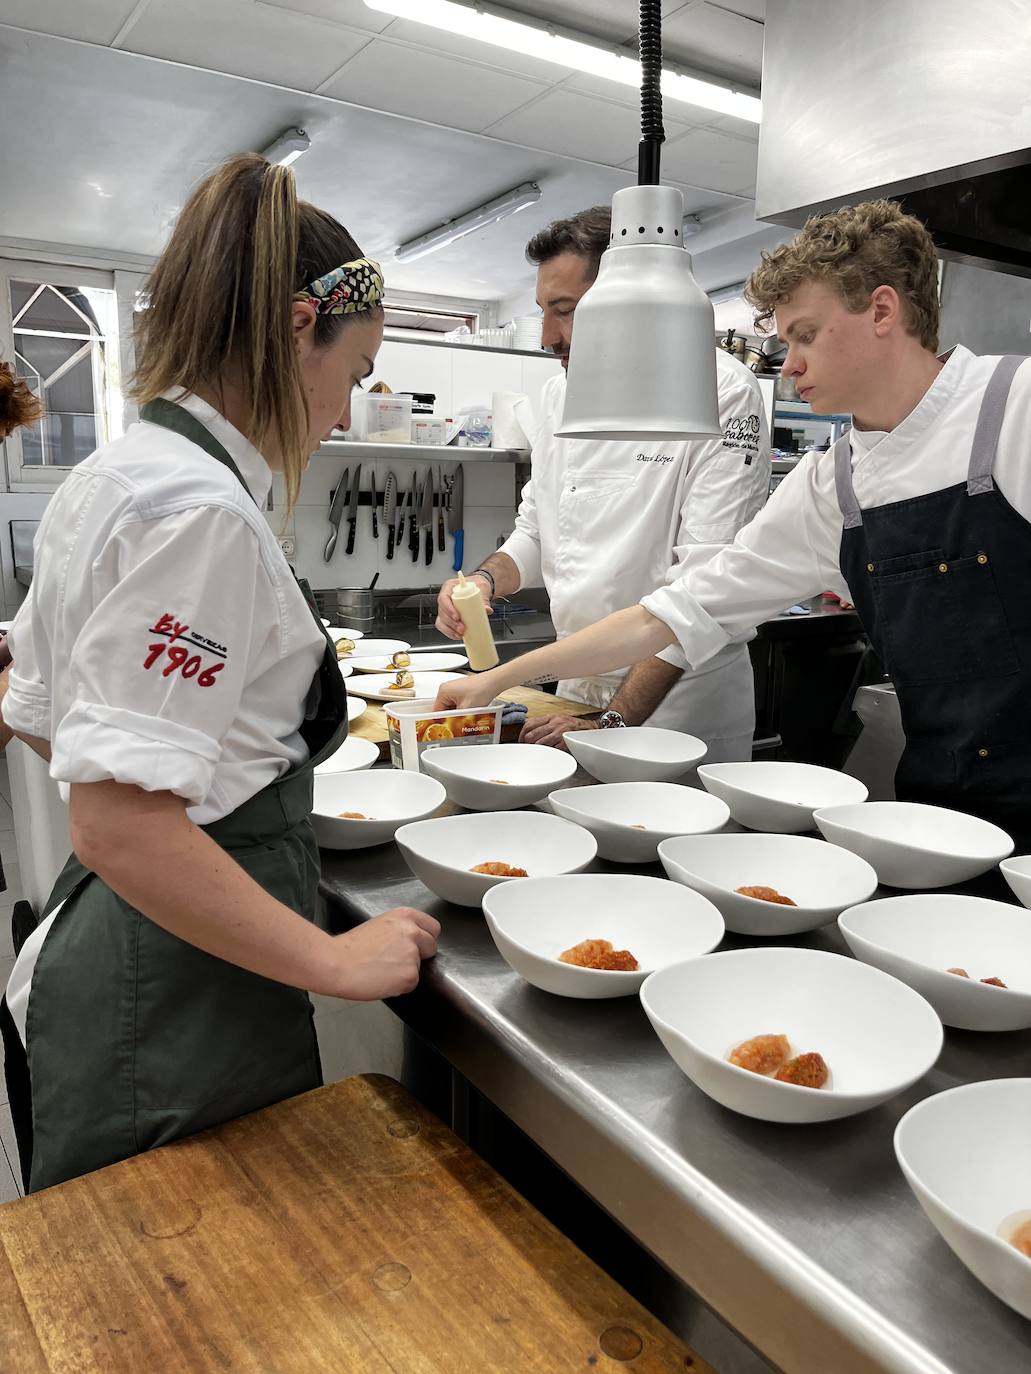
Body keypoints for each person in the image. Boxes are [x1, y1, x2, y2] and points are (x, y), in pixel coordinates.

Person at [0, 154, 439, 1194]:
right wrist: (337, 961)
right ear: (298, 328)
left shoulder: (117, 471)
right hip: (172, 1001)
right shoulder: (196, 513)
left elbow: (37, 718)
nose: (345, 412)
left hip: (137, 952)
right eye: (355, 370)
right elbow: (118, 824)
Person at [435, 200, 1031, 845]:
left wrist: (597, 714)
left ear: (883, 311)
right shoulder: (834, 482)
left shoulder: (1014, 413)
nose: (790, 364)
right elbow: (679, 610)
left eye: (804, 334)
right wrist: (497, 678)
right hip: (949, 802)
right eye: (782, 342)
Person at [435, 206, 771, 760]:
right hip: (576, 691)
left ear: (625, 302)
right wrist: (482, 584)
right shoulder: (559, 396)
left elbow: (702, 592)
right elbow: (538, 534)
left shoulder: (722, 393)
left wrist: (616, 722)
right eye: (543, 311)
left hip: (679, 706)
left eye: (564, 312)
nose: (547, 337)